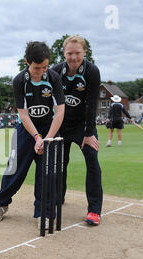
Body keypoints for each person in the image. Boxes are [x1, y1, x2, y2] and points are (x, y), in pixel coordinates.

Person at [0, 41, 65, 229]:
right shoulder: (19, 81)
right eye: (36, 68)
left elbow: (60, 111)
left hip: (50, 129)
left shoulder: (54, 78)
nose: (41, 71)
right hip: (27, 129)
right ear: (27, 62)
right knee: (14, 169)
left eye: (45, 67)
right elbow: (23, 114)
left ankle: (44, 213)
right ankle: (0, 203)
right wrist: (37, 137)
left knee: (47, 174)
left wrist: (47, 138)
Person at [51, 35, 103, 226]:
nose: (73, 58)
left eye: (77, 53)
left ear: (85, 52)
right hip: (62, 124)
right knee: (59, 162)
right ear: (64, 53)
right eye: (69, 53)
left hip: (83, 125)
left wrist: (89, 134)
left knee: (92, 158)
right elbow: (51, 103)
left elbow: (91, 104)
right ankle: (58, 197)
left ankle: (94, 210)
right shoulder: (55, 71)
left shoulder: (91, 71)